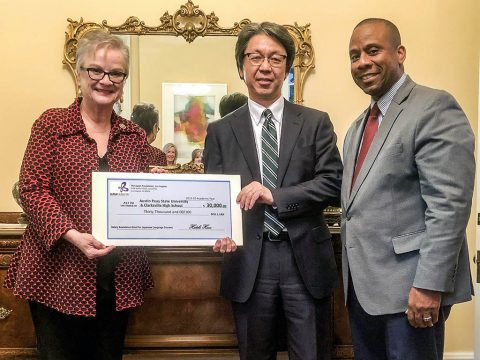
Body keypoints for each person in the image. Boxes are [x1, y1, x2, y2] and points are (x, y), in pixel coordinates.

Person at [4, 30, 154, 360]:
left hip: (118, 277)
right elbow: (32, 189)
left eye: (116, 72)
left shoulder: (134, 136)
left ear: (123, 79)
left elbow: (147, 198)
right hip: (56, 273)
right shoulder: (51, 124)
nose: (105, 79)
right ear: (79, 72)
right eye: (95, 70)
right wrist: (74, 236)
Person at [204, 22, 343, 359]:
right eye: (255, 57)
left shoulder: (314, 122)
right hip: (249, 260)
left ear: (287, 68)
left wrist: (274, 196)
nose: (265, 67)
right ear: (241, 67)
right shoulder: (220, 130)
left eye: (275, 58)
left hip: (305, 258)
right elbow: (213, 197)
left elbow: (332, 183)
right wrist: (220, 229)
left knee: (312, 352)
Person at [342, 18, 475, 360]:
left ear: (400, 53)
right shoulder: (357, 127)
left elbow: (449, 206)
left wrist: (430, 285)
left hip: (411, 293)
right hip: (363, 295)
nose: (362, 62)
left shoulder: (433, 107)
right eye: (354, 55)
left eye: (373, 50)